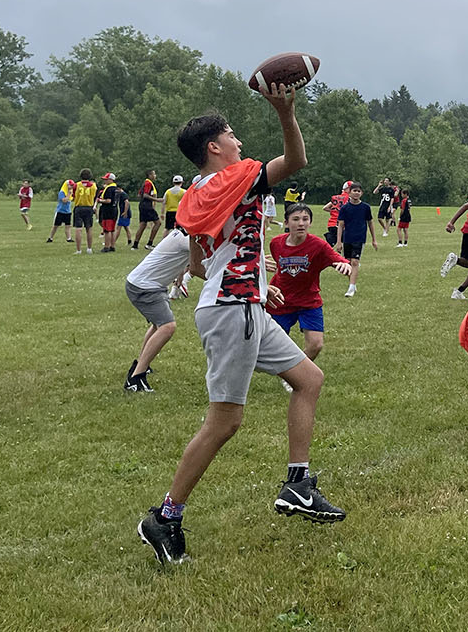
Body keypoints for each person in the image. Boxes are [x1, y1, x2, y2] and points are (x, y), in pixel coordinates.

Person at [136, 82, 344, 567]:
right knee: (224, 422)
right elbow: (294, 162)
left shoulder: (197, 192)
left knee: (309, 379)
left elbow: (194, 263)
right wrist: (284, 112)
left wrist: (249, 283)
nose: (239, 142)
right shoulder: (238, 178)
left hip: (236, 303)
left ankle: (298, 485)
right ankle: (165, 517)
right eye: (231, 134)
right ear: (213, 146)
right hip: (233, 311)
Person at [267, 203, 352, 360]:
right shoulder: (276, 243)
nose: (301, 223)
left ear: (310, 222)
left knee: (315, 345)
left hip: (308, 301)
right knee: (271, 345)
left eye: (305, 219)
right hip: (280, 300)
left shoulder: (318, 245)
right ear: (286, 223)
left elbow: (338, 259)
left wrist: (343, 264)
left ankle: (296, 375)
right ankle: (289, 370)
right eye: (296, 219)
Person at [123, 228, 191, 392]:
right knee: (167, 326)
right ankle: (135, 379)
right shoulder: (186, 238)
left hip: (149, 284)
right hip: (145, 287)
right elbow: (201, 266)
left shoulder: (182, 233)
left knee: (158, 325)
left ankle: (140, 365)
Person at [335, 186, 377, 298]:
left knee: (354, 262)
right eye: (354, 191)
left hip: (359, 238)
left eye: (359, 191)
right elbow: (340, 225)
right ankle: (352, 284)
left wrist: (374, 239)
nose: (356, 193)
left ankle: (351, 287)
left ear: (361, 193)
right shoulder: (345, 208)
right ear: (349, 192)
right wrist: (339, 242)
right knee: (348, 264)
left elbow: (370, 223)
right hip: (347, 238)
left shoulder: (365, 207)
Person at [132, 170, 163, 250]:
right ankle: (150, 243)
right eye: (154, 174)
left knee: (143, 224)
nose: (155, 176)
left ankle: (135, 245)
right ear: (149, 175)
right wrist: (156, 200)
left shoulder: (145, 183)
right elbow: (145, 195)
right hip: (147, 206)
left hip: (142, 205)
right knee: (158, 223)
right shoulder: (148, 183)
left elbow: (139, 195)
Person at [98, 173, 128, 252]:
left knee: (107, 230)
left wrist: (100, 200)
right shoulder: (116, 189)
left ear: (111, 180)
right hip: (115, 209)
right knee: (112, 229)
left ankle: (107, 246)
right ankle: (112, 245)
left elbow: (108, 200)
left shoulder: (109, 189)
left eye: (106, 179)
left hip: (108, 210)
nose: (105, 181)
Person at [70, 170, 98, 255]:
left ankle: (79, 250)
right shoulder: (93, 186)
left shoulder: (76, 185)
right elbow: (94, 196)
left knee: (78, 228)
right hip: (89, 207)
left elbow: (73, 196)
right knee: (89, 228)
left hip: (79, 207)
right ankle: (89, 248)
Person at [321, 182, 352, 246]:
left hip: (331, 224)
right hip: (341, 225)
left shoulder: (336, 198)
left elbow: (325, 208)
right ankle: (330, 237)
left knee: (331, 243)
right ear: (347, 189)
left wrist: (334, 211)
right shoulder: (350, 199)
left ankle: (331, 237)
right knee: (350, 241)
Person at [47, 178, 74, 243]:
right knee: (56, 226)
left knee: (68, 226)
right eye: (70, 185)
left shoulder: (71, 192)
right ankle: (50, 238)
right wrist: (68, 194)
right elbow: (64, 200)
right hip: (60, 211)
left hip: (68, 211)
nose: (71, 187)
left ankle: (69, 238)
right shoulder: (62, 192)